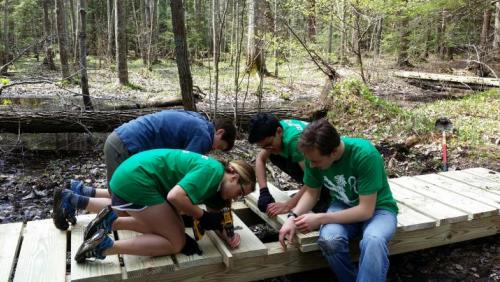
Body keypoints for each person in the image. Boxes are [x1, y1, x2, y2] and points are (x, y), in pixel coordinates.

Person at [54, 109, 236, 230]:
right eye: (219, 146)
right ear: (219, 133)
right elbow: (185, 180)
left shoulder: (198, 121)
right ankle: (71, 200)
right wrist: (189, 214)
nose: (214, 151)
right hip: (125, 147)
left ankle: (81, 191)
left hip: (120, 140)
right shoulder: (204, 136)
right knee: (125, 206)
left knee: (135, 196)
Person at [63, 149, 256, 262]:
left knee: (170, 226)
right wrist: (202, 216)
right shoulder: (213, 172)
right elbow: (175, 196)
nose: (236, 198)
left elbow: (217, 217)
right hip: (137, 182)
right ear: (234, 177)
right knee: (176, 242)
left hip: (131, 174)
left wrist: (228, 235)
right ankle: (103, 247)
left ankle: (110, 222)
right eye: (240, 193)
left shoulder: (216, 184)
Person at [278, 119, 398, 282]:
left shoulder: (364, 154)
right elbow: (312, 193)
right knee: (329, 240)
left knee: (374, 241)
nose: (311, 166)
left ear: (333, 152)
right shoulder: (311, 155)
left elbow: (365, 210)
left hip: (379, 209)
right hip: (342, 205)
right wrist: (293, 217)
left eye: (315, 161)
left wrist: (320, 218)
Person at [247, 113, 330, 216]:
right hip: (313, 168)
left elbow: (313, 178)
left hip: (328, 170)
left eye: (269, 144)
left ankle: (324, 195)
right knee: (274, 155)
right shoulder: (273, 130)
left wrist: (288, 205)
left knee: (291, 164)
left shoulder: (295, 142)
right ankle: (310, 194)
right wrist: (264, 191)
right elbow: (260, 159)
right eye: (263, 147)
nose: (268, 149)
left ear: (279, 132)